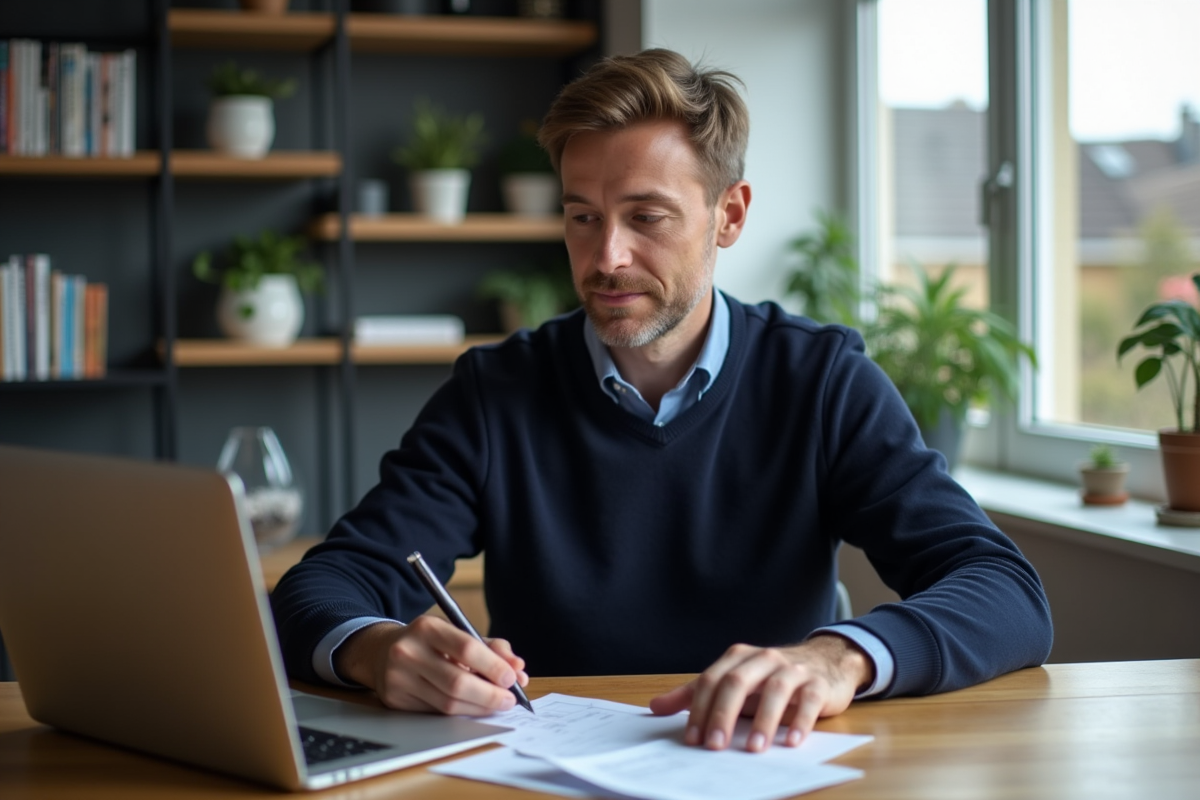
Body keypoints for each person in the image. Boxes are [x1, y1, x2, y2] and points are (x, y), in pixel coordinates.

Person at [271, 48, 1052, 755]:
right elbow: (321, 587)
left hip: (759, 767)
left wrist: (838, 657)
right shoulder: (495, 392)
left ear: (730, 215)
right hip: (549, 774)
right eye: (583, 217)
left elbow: (1006, 592)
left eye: (646, 218)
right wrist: (376, 650)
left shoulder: (821, 380)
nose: (607, 257)